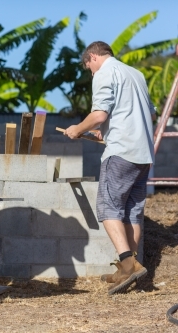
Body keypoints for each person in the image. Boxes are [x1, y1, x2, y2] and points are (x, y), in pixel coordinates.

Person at [64, 41, 156, 295]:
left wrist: (78, 129)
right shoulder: (135, 74)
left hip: (121, 153)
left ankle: (127, 262)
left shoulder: (105, 72)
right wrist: (104, 132)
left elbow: (100, 115)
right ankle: (130, 265)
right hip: (143, 154)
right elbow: (148, 114)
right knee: (132, 211)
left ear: (93, 57)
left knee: (108, 207)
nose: (91, 73)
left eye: (89, 68)